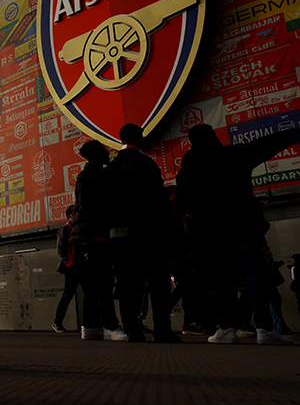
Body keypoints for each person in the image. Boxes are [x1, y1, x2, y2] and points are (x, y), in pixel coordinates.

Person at [177, 123, 300, 346]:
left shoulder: (188, 169)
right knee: (253, 274)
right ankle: (264, 328)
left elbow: (185, 203)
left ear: (192, 143)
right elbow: (267, 144)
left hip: (212, 231)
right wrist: (295, 131)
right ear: (213, 136)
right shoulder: (233, 155)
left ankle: (227, 328)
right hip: (243, 226)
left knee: (221, 279)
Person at [102, 123, 178, 343]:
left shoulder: (111, 169)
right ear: (138, 137)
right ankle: (163, 330)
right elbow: (160, 200)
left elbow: (104, 205)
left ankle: (132, 330)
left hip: (119, 237)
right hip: (148, 233)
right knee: (158, 283)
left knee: (127, 285)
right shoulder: (147, 164)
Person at [71, 139, 126, 342]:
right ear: (94, 155)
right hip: (94, 237)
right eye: (103, 151)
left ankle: (91, 325)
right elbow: (90, 207)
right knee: (103, 283)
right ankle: (110, 325)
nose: (107, 154)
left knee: (94, 285)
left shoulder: (89, 176)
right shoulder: (91, 177)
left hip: (90, 237)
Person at [52, 206, 80, 333]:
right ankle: (57, 322)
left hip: (80, 265)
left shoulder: (78, 228)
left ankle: (93, 323)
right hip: (71, 267)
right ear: (70, 215)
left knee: (90, 292)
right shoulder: (65, 229)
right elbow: (60, 249)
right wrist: (67, 261)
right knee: (67, 295)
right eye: (76, 213)